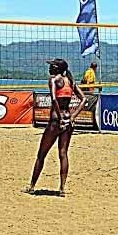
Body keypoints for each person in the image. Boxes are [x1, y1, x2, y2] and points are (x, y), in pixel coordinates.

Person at [25, 58, 86, 197]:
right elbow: (83, 99)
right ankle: (62, 188)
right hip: (67, 120)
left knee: (41, 154)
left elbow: (53, 99)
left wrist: (59, 118)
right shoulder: (70, 81)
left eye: (52, 66)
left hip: (55, 121)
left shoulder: (53, 80)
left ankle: (32, 186)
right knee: (63, 153)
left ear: (58, 68)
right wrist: (71, 117)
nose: (50, 68)